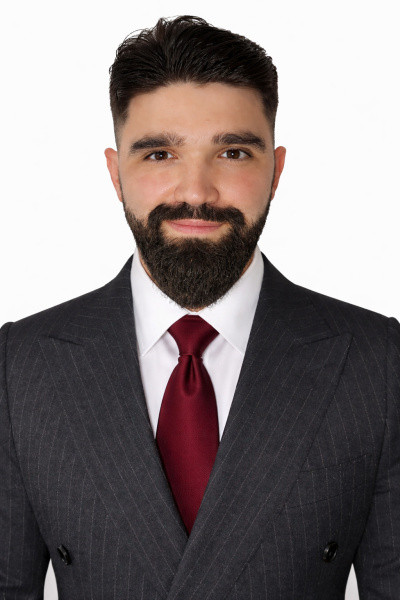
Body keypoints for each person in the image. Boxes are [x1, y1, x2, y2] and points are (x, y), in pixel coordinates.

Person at [0, 14, 399, 600]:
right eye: (159, 154)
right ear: (115, 173)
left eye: (233, 152)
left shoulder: (378, 363)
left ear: (275, 170)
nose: (196, 191)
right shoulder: (20, 366)